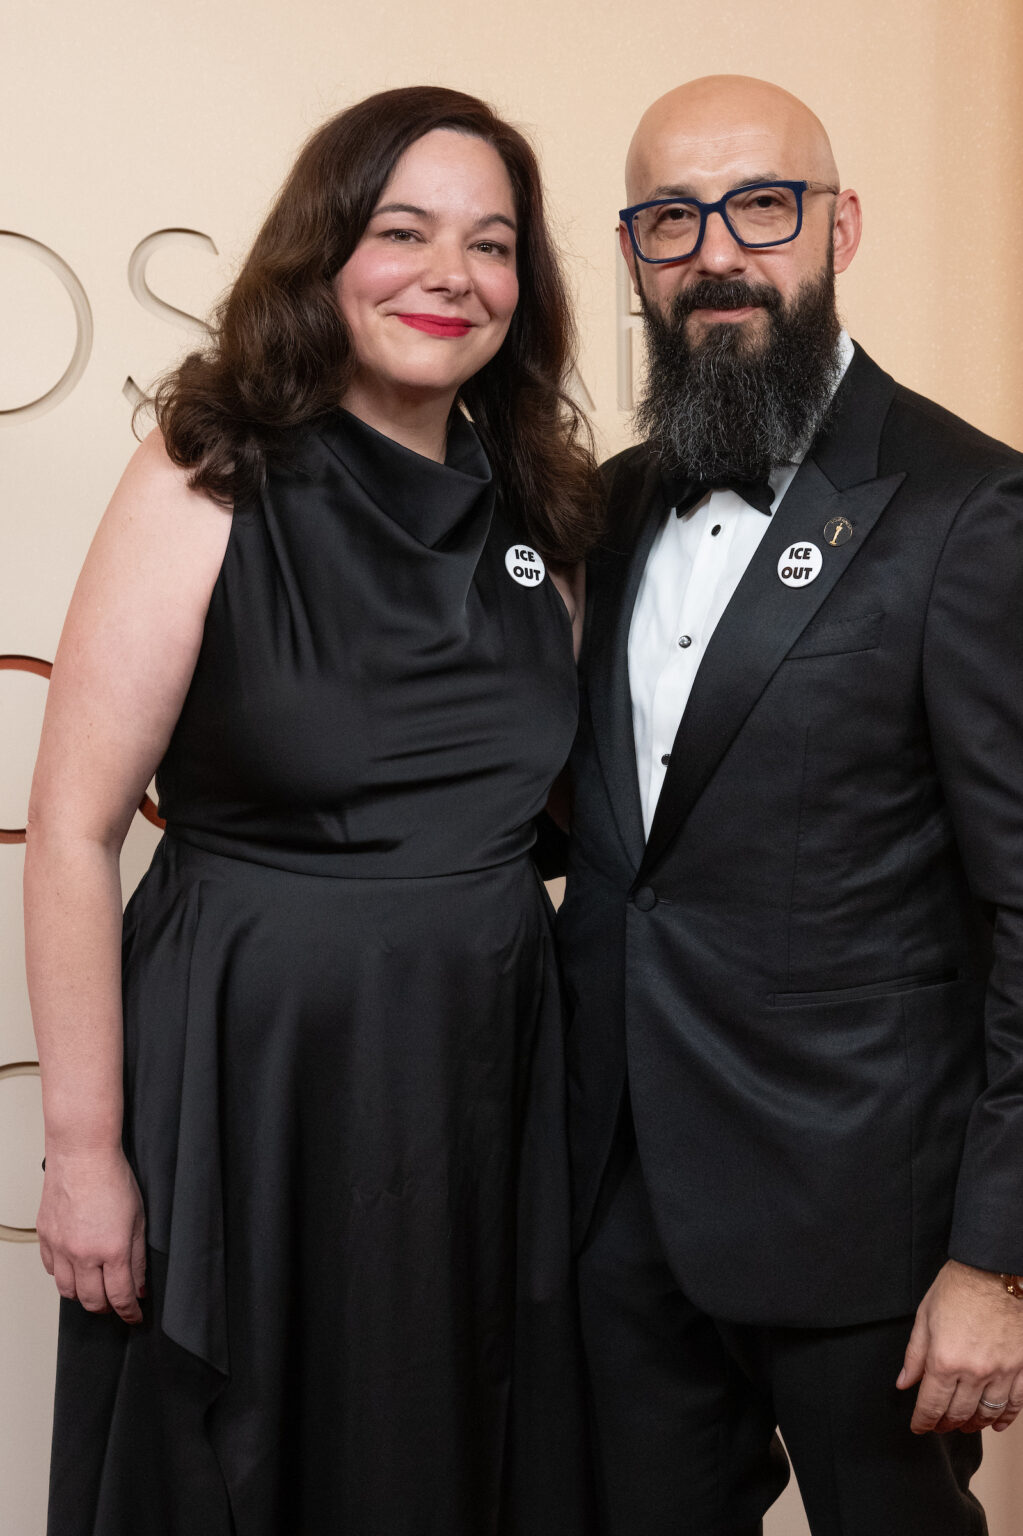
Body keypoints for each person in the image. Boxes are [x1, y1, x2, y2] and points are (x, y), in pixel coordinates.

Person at [26, 85, 599, 1536]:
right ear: (326, 249)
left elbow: (573, 806)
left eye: (491, 244)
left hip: (479, 1079)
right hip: (247, 1070)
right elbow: (75, 829)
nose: (450, 274)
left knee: (454, 1444)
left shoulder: (547, 509)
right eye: (403, 230)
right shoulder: (207, 471)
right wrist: (84, 1151)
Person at [558, 73, 1023, 1536]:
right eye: (672, 219)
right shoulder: (605, 507)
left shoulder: (971, 508)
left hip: (869, 1235)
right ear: (633, 252)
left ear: (841, 226)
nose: (718, 254)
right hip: (621, 1211)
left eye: (763, 206)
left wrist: (997, 1260)